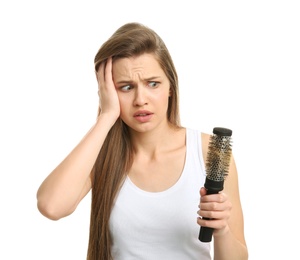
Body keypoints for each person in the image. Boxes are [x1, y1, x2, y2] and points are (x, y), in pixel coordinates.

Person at [36, 22, 248, 260]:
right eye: (126, 87)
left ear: (170, 86)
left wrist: (222, 230)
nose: (140, 100)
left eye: (153, 84)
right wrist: (106, 117)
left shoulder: (210, 151)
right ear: (109, 93)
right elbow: (51, 206)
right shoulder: (102, 156)